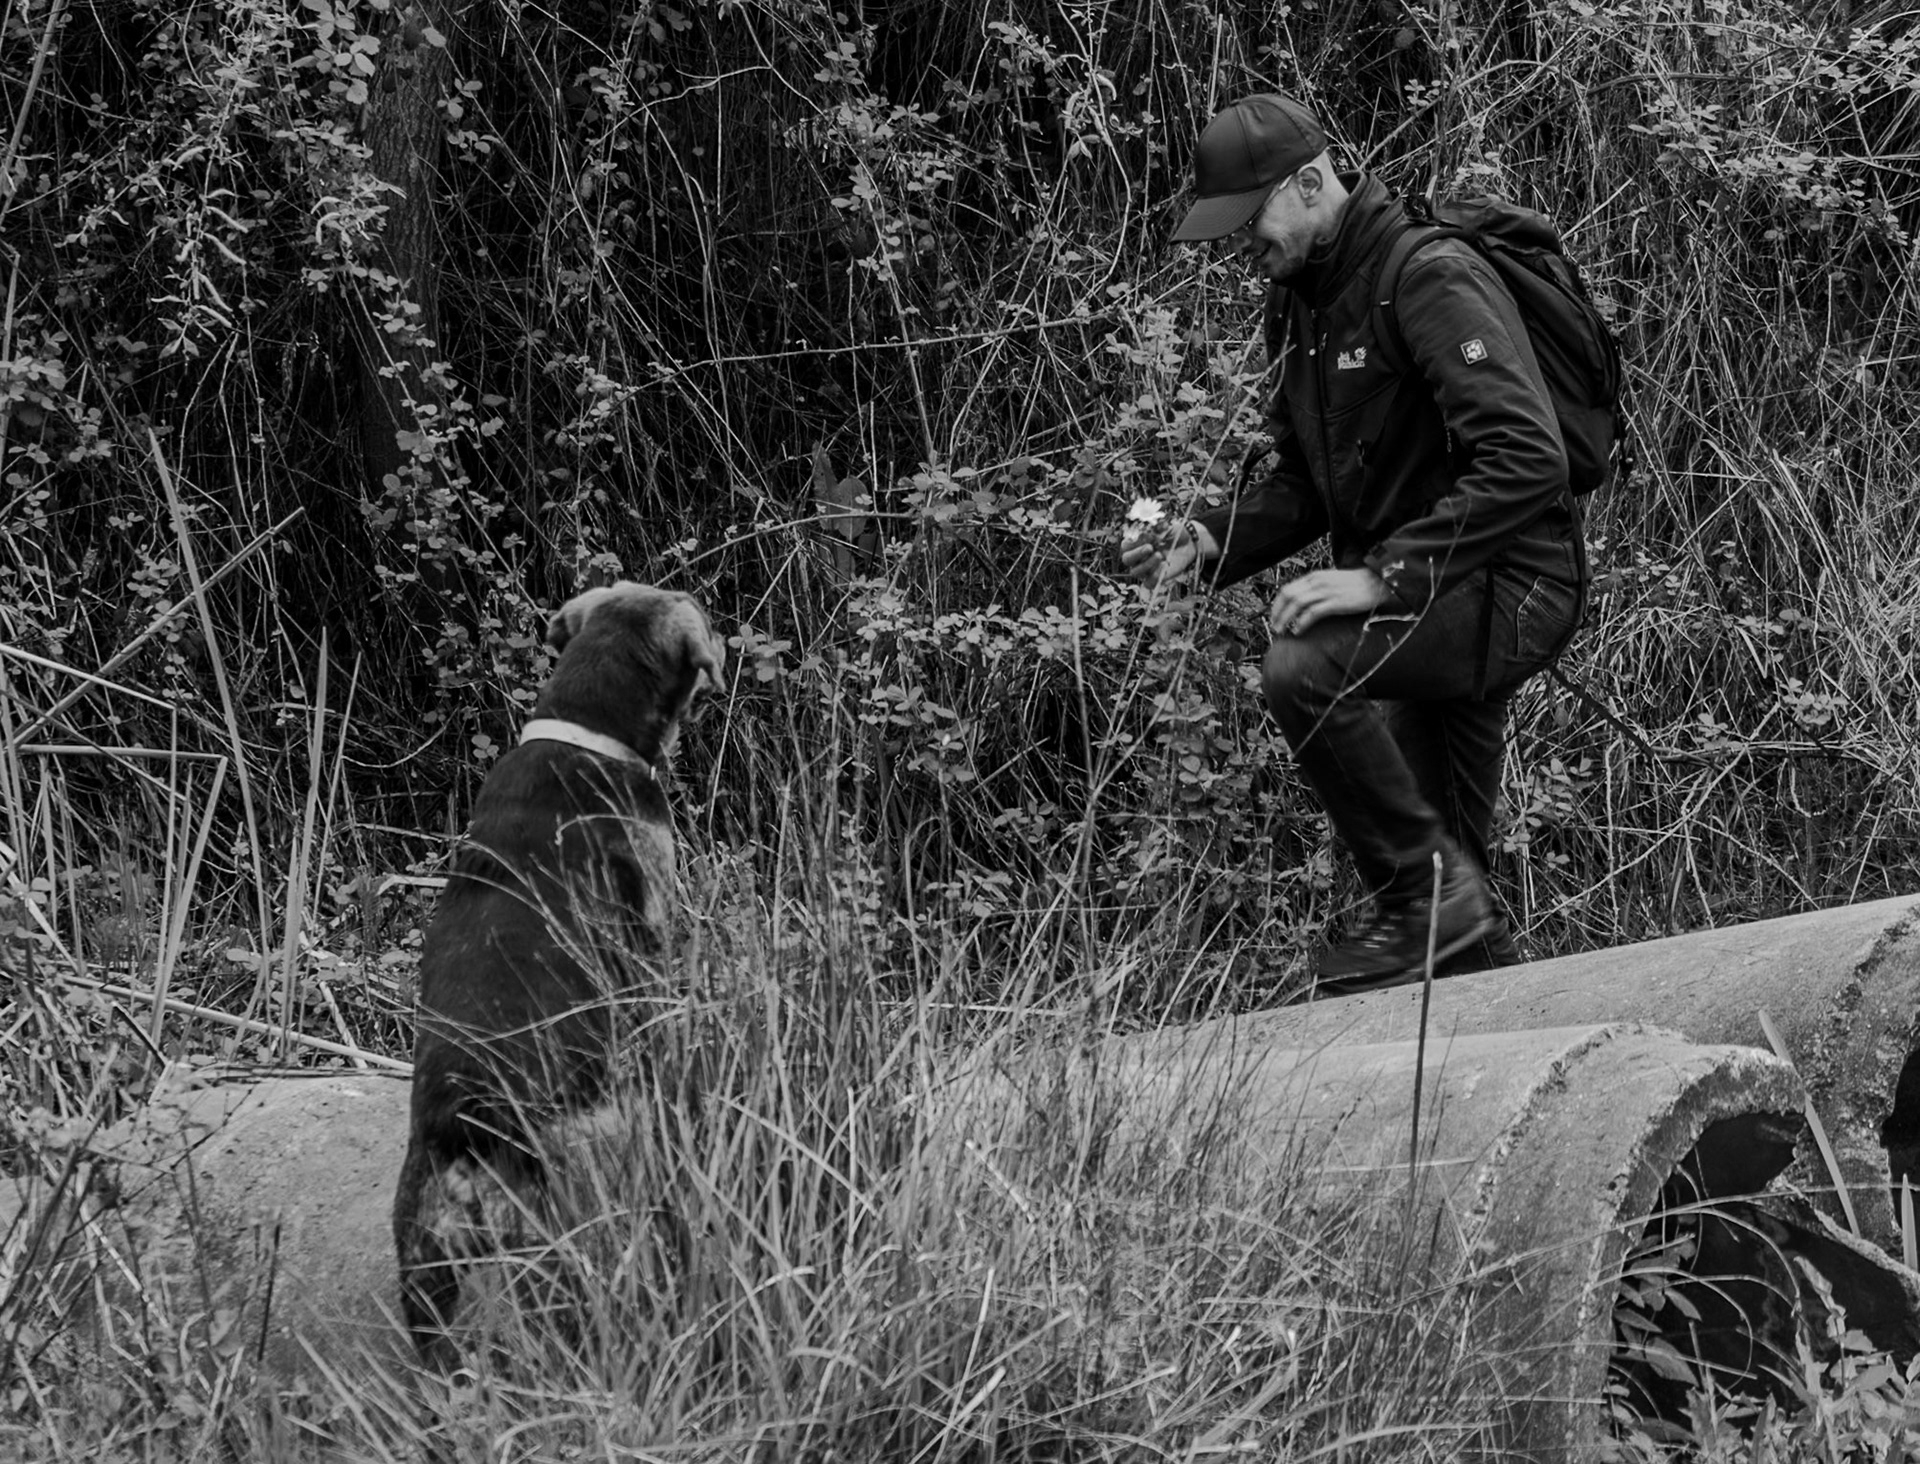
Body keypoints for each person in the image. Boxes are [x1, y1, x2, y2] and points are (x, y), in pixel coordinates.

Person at [1123, 92, 1585, 995]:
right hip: (1432, 597)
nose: (1241, 246)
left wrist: (1379, 579)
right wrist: (1207, 540)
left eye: (1249, 220)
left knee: (1302, 665)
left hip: (1511, 583)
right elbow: (1304, 482)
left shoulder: (1427, 275)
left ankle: (1430, 898)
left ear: (1310, 181)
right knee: (1456, 931)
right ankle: (1480, 979)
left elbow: (1531, 456)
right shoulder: (1299, 306)